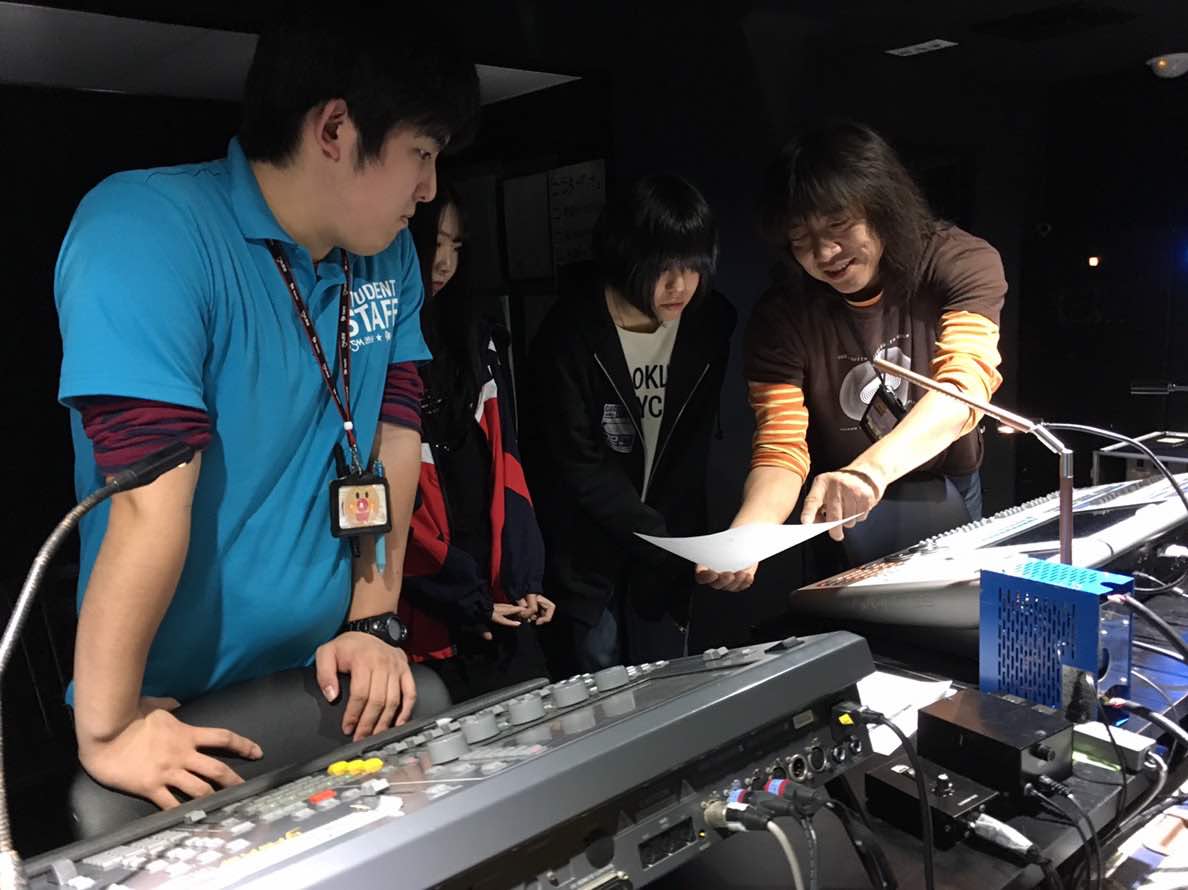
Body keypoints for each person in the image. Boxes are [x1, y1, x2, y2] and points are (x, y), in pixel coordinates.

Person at [53, 16, 478, 832]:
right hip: (172, 701)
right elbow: (146, 499)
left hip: (322, 680)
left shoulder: (385, 254)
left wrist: (374, 617)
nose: (429, 190)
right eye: (421, 153)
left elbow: (391, 433)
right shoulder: (145, 231)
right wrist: (108, 728)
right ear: (334, 130)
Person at [698, 121, 1006, 593]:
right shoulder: (781, 315)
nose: (824, 252)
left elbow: (964, 389)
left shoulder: (959, 261)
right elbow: (781, 445)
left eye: (838, 224)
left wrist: (869, 471)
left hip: (944, 478)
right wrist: (749, 533)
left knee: (956, 608)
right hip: (840, 503)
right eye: (800, 239)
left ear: (882, 207)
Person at [525, 174, 736, 673]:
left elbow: (690, 448)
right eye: (663, 268)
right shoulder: (568, 333)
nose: (680, 285)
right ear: (626, 257)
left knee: (672, 682)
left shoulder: (710, 323)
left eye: (693, 267)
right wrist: (658, 536)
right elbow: (577, 464)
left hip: (668, 554)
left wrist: (683, 544)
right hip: (588, 552)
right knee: (598, 684)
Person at [399, 184, 555, 702]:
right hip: (424, 617)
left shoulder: (477, 339)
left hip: (497, 597)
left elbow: (506, 466)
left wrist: (524, 579)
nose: (444, 261)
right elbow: (386, 505)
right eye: (434, 243)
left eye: (457, 246)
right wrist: (464, 597)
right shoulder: (371, 347)